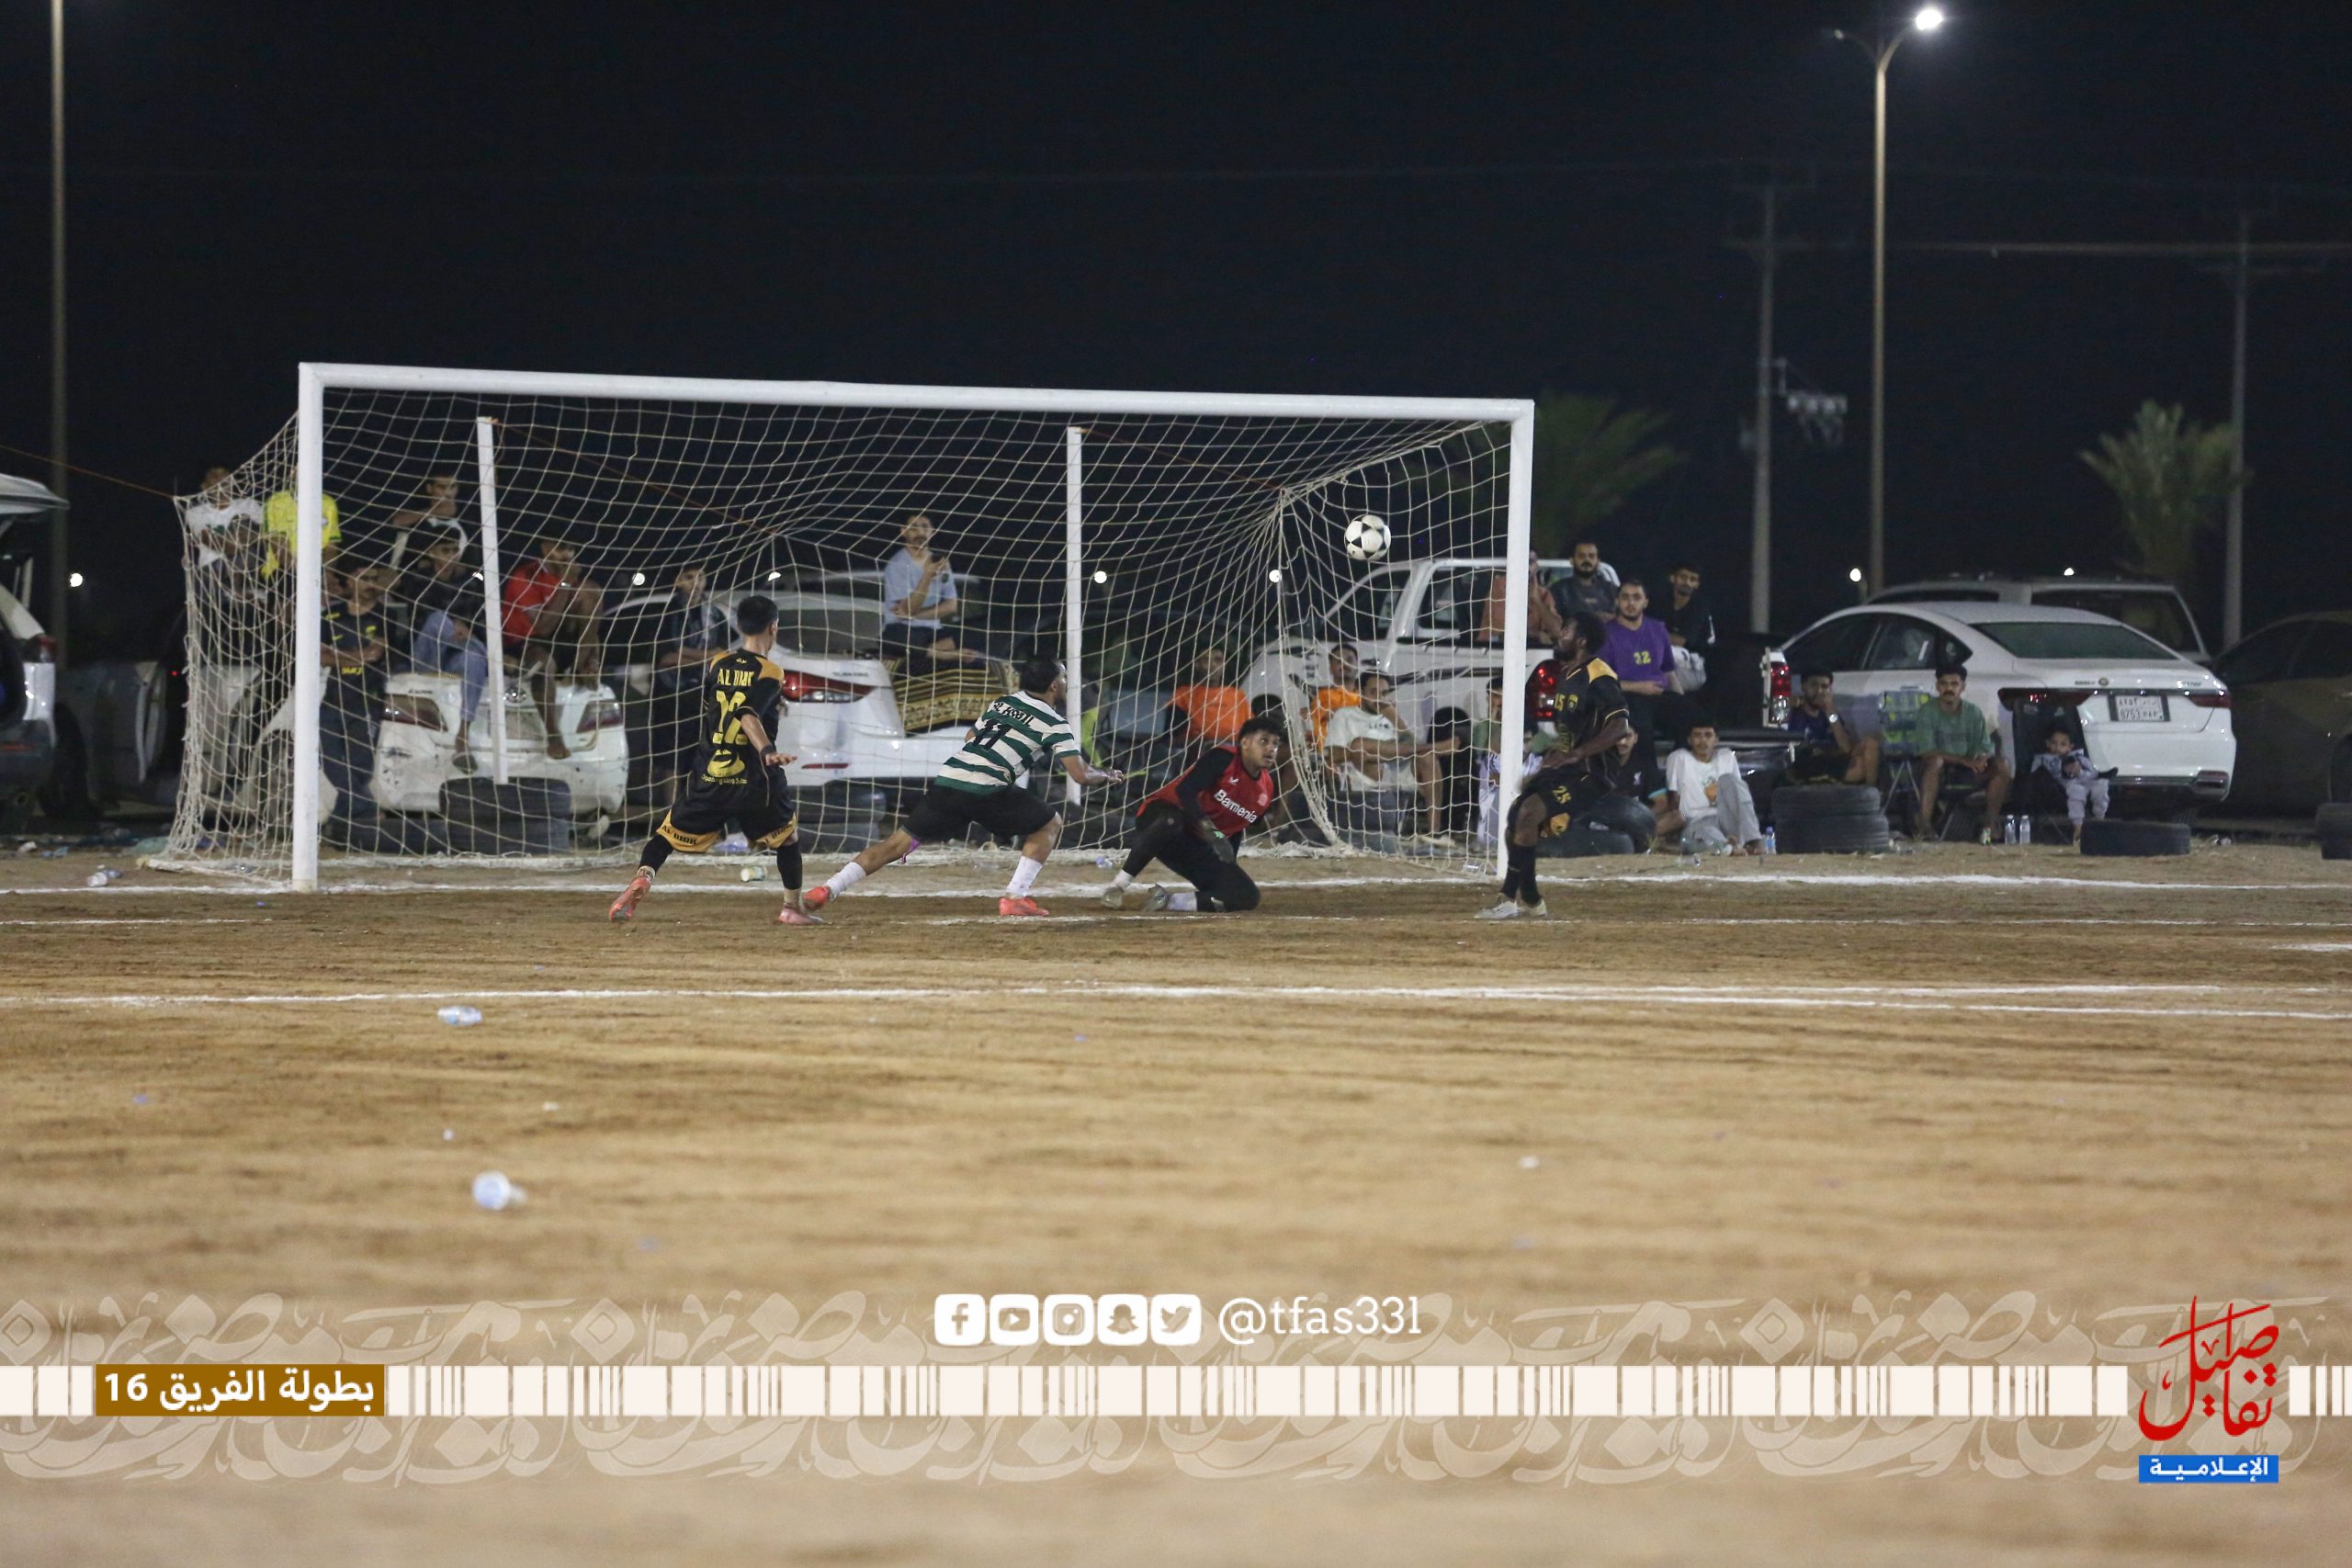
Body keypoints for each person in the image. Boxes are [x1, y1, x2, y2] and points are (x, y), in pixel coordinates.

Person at [804, 657, 1122, 918]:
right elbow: (1080, 775)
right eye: (1063, 677)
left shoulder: (1003, 703)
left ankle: (828, 888)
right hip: (987, 790)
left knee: (895, 844)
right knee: (1050, 823)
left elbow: (971, 737)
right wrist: (1105, 775)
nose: (1065, 683)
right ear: (1054, 685)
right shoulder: (1054, 722)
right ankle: (1015, 897)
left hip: (949, 782)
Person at [609, 595, 817, 926]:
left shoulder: (717, 662)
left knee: (665, 835)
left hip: (710, 773)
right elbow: (747, 713)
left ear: (739, 627)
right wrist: (767, 751)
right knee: (787, 838)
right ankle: (791, 908)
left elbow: (717, 705)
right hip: (753, 779)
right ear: (774, 627)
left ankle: (643, 877)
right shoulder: (770, 670)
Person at [1481, 612, 1639, 919]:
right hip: (1568, 766)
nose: (1559, 634)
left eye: (1566, 630)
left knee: (1529, 813)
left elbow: (1620, 727)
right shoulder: (1567, 674)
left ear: (1581, 641)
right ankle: (1532, 899)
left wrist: (1577, 753)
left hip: (1593, 772)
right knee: (1515, 819)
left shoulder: (1599, 675)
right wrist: (1555, 756)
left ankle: (1507, 898)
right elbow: (1574, 731)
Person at [1100, 714, 1283, 912]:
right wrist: (1213, 832)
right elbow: (1185, 791)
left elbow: (1236, 826)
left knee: (1247, 896)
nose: (1270, 749)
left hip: (1195, 843)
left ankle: (1168, 901)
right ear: (1245, 743)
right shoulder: (1223, 758)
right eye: (1264, 741)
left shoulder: (1266, 790)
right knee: (1172, 820)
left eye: (1275, 743)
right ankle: (1117, 887)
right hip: (1160, 820)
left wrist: (1228, 867)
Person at [502, 530, 605, 761]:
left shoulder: (576, 580)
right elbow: (543, 628)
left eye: (571, 549)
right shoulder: (525, 576)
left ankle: (580, 666)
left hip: (563, 643)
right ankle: (554, 735)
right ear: (545, 548)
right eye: (560, 548)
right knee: (543, 664)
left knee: (591, 591)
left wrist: (592, 660)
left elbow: (591, 629)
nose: (566, 555)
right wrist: (566, 584)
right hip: (527, 644)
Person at [396, 520, 490, 773]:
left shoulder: (471, 579)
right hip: (426, 655)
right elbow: (422, 619)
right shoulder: (418, 578)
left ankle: (463, 734)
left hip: (455, 655)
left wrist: (466, 627)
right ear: (432, 552)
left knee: (473, 659)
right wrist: (456, 624)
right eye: (444, 551)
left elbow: (479, 618)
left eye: (453, 550)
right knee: (438, 620)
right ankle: (489, 655)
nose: (450, 556)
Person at [1325, 668, 1453, 843]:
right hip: (1365, 772)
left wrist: (1395, 719)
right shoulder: (1345, 715)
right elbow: (1333, 755)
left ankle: (1434, 833)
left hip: (1397, 770)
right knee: (1360, 745)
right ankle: (1435, 746)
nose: (1379, 698)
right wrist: (1374, 750)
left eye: (1384, 693)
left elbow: (1414, 746)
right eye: (1373, 692)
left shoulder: (1390, 715)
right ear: (1360, 690)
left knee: (1427, 756)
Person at [319, 559, 394, 846]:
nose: (369, 584)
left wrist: (340, 656)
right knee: (329, 760)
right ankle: (366, 809)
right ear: (349, 581)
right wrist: (358, 656)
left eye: (374, 578)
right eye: (363, 578)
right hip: (333, 698)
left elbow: (376, 654)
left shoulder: (385, 616)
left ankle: (340, 827)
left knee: (360, 765)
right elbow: (320, 657)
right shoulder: (332, 615)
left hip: (367, 700)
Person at [650, 565, 735, 790]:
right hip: (672, 696)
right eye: (689, 577)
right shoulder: (666, 614)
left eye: (701, 577)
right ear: (678, 581)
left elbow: (723, 654)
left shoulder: (715, 614)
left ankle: (695, 805)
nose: (696, 583)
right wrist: (706, 657)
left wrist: (684, 653)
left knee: (701, 756)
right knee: (671, 758)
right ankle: (670, 808)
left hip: (705, 694)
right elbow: (666, 658)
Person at [1915, 664, 2012, 842]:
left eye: (1954, 684)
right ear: (1937, 687)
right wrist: (1963, 760)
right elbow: (1927, 751)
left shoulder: (1973, 712)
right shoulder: (1927, 712)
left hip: (1968, 769)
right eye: (1944, 684)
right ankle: (1925, 825)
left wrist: (1982, 758)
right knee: (1935, 761)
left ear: (1963, 687)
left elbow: (1985, 745)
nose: (1949, 689)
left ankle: (1990, 825)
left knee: (2001, 765)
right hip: (1939, 770)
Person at [879, 513, 989, 669]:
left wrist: (916, 615)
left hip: (933, 634)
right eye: (914, 528)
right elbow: (908, 609)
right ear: (904, 531)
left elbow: (951, 606)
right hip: (904, 632)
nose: (920, 532)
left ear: (932, 531)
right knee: (891, 638)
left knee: (978, 634)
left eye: (925, 527)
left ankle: (928, 651)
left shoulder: (941, 563)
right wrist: (927, 576)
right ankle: (945, 655)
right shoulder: (896, 565)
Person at [1600, 578, 1675, 792]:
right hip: (1627, 695)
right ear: (1617, 601)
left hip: (1659, 694)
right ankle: (1653, 789)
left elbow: (1669, 671)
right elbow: (1601, 681)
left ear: (1645, 602)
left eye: (1636, 597)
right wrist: (1639, 687)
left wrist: (1681, 699)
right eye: (1625, 597)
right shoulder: (1606, 633)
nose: (1631, 603)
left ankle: (1684, 785)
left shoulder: (1658, 629)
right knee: (1642, 725)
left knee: (1693, 719)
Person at [1659, 721, 1763, 854]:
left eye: (1708, 735)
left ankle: (1754, 839)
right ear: (1689, 740)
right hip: (1697, 821)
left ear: (1716, 740)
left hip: (1727, 819)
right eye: (1697, 736)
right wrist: (1680, 824)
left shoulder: (1726, 756)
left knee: (1730, 780)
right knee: (1706, 834)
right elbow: (1674, 798)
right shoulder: (1679, 758)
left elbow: (1739, 795)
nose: (1703, 741)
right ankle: (1728, 847)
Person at [1781, 670, 1881, 786]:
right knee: (1861, 766)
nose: (1819, 691)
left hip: (1833, 758)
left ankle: (1871, 792)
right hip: (1811, 763)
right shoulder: (1795, 712)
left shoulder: (1829, 714)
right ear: (1803, 687)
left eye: (1824, 687)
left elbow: (1846, 747)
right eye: (1813, 685)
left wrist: (1830, 711)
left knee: (1871, 743)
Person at [2029, 727, 2111, 844]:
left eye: (2063, 744)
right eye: (2054, 743)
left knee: (2102, 784)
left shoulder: (2079, 757)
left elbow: (2092, 773)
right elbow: (2034, 775)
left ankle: (2099, 818)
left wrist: (2079, 771)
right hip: (2063, 784)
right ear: (2047, 744)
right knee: (2077, 790)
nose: (2057, 747)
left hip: (2085, 779)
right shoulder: (2042, 759)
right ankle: (2078, 828)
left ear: (2070, 747)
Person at [1479, 552, 1566, 646]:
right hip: (1493, 647)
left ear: (1536, 567)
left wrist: (1537, 600)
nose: (1525, 566)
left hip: (1530, 648)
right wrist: (1537, 635)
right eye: (1521, 561)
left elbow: (1557, 631)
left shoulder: (1541, 591)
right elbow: (1501, 633)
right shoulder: (1499, 586)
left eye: (1530, 562)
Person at [1170, 644, 1250, 744]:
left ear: (1224, 665)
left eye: (1218, 660)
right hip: (1197, 750)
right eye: (1206, 660)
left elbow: (1250, 732)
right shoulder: (1184, 695)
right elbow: (1172, 737)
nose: (1212, 665)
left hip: (1232, 750)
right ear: (1197, 665)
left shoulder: (1237, 696)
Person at [186, 467, 264, 569]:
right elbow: (205, 538)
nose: (220, 480)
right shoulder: (195, 512)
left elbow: (264, 532)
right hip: (213, 568)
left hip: (249, 564)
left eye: (223, 475)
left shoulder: (248, 504)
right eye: (214, 476)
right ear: (204, 487)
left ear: (232, 481)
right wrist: (230, 545)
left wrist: (248, 538)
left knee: (240, 520)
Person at [1656, 562, 1715, 694]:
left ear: (1697, 584)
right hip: (1670, 665)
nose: (1687, 583)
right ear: (1673, 578)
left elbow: (1681, 641)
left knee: (1666, 653)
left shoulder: (1699, 607)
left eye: (1692, 579)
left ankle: (1679, 698)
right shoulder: (1662, 603)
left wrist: (1652, 637)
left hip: (1695, 668)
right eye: (1683, 577)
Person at [1546, 538, 1619, 624]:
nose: (1587, 560)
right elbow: (1552, 622)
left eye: (1591, 556)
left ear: (1598, 561)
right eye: (1581, 556)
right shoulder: (1559, 590)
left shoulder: (1611, 589)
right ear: (1572, 561)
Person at [1307, 645, 1363, 747]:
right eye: (1339, 661)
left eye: (1349, 660)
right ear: (1331, 669)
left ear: (1357, 667)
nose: (1344, 664)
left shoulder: (1367, 697)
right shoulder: (1323, 697)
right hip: (1333, 752)